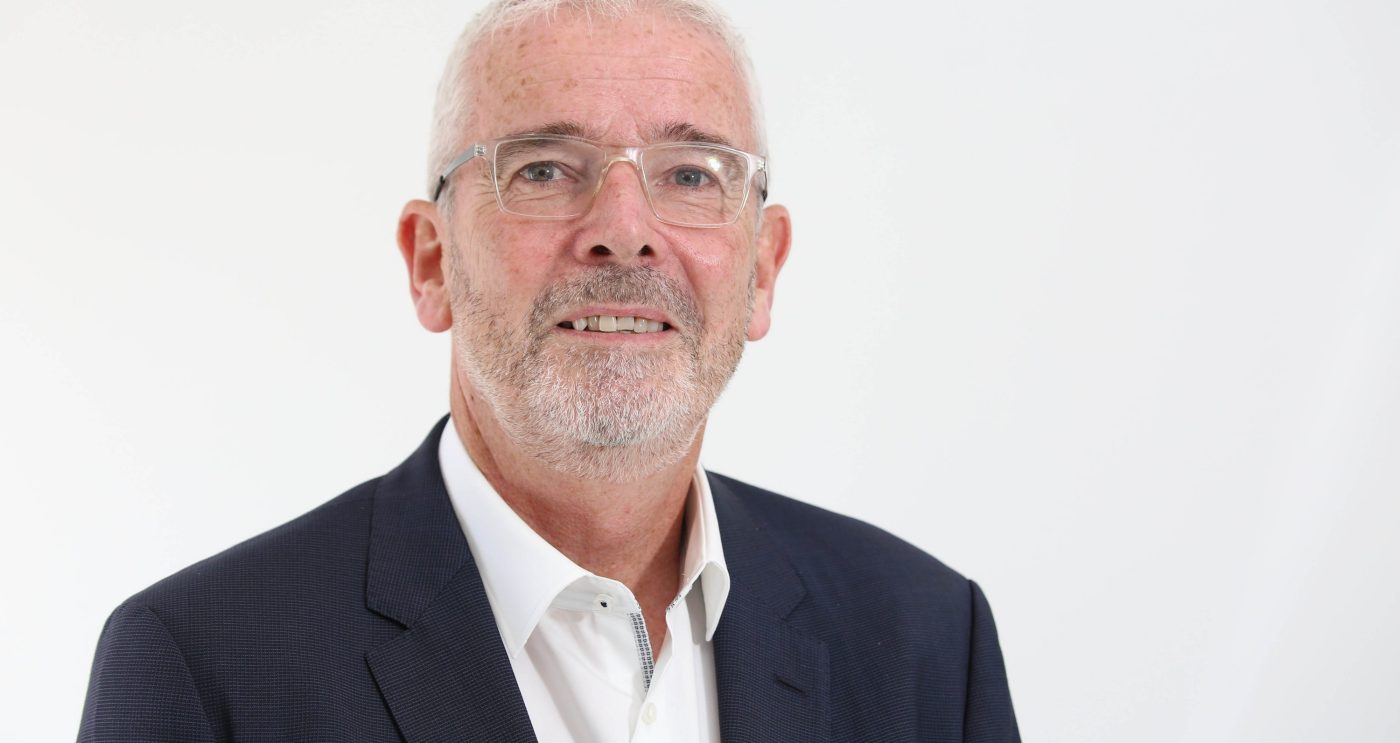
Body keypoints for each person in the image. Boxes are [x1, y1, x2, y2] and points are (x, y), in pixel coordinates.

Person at [77, 1, 1019, 741]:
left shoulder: (928, 647)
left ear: (763, 269)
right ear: (431, 260)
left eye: (692, 174)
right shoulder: (203, 670)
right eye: (543, 169)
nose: (624, 228)